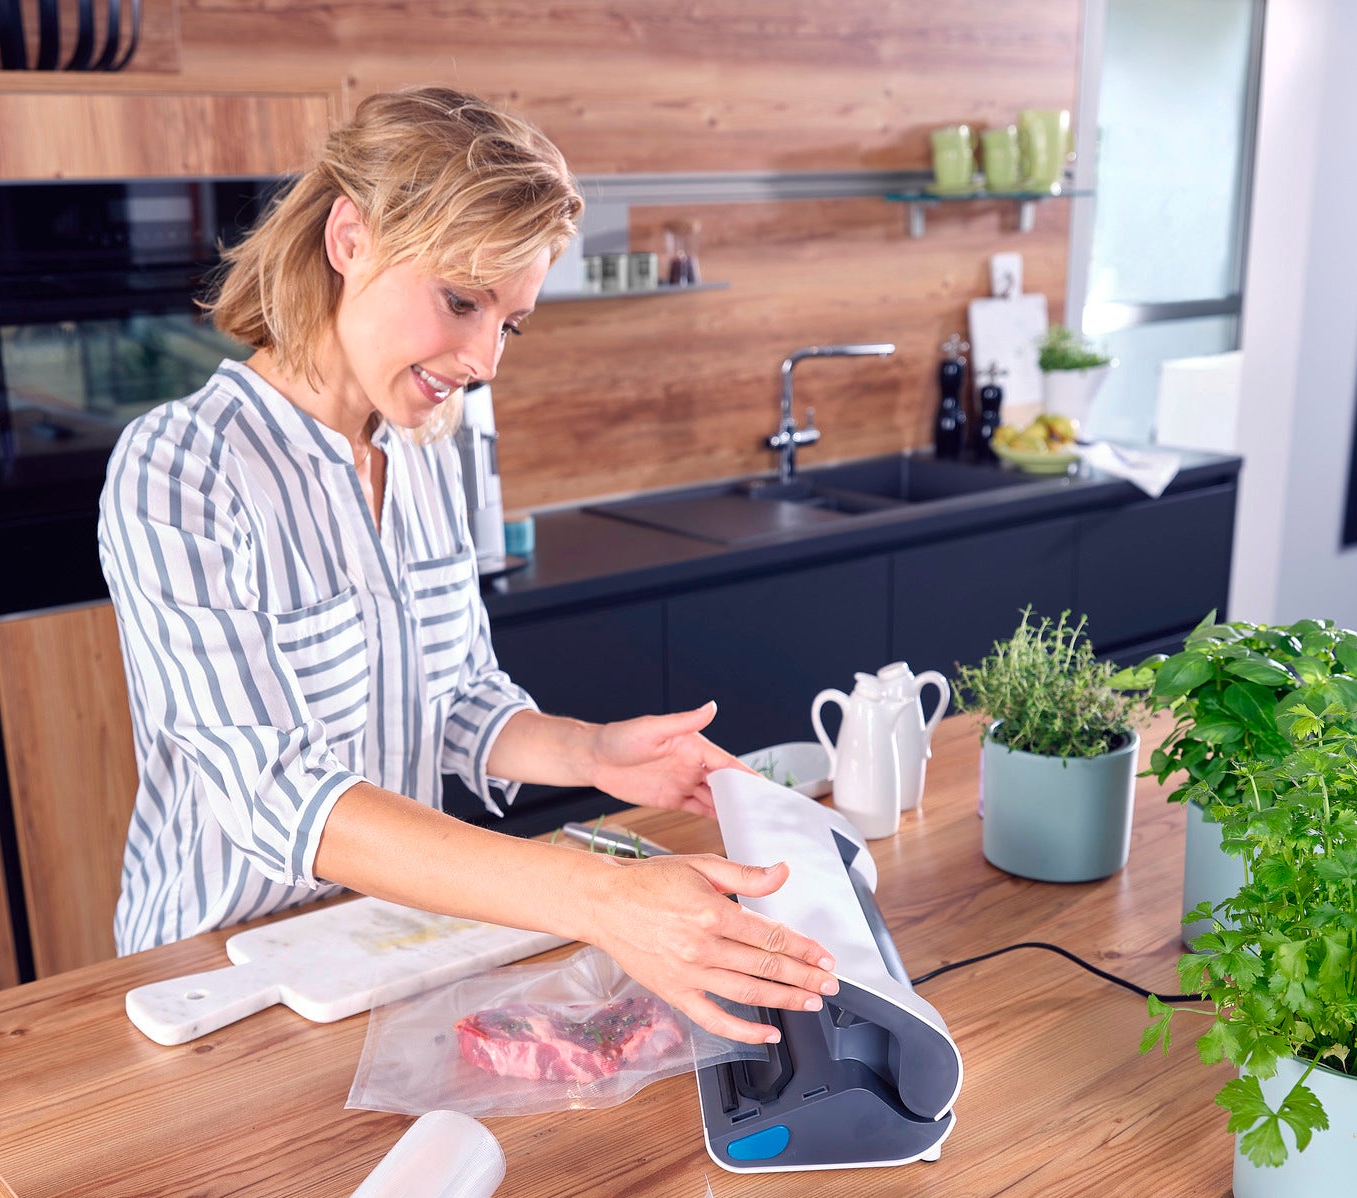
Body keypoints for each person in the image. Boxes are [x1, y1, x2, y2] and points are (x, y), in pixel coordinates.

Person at [99, 86, 833, 1045]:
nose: (486, 358)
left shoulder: (428, 444)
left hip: (382, 947)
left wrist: (592, 753)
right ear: (350, 238)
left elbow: (450, 695)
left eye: (509, 323)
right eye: (461, 301)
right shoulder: (182, 470)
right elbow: (275, 794)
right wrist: (597, 896)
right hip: (215, 985)